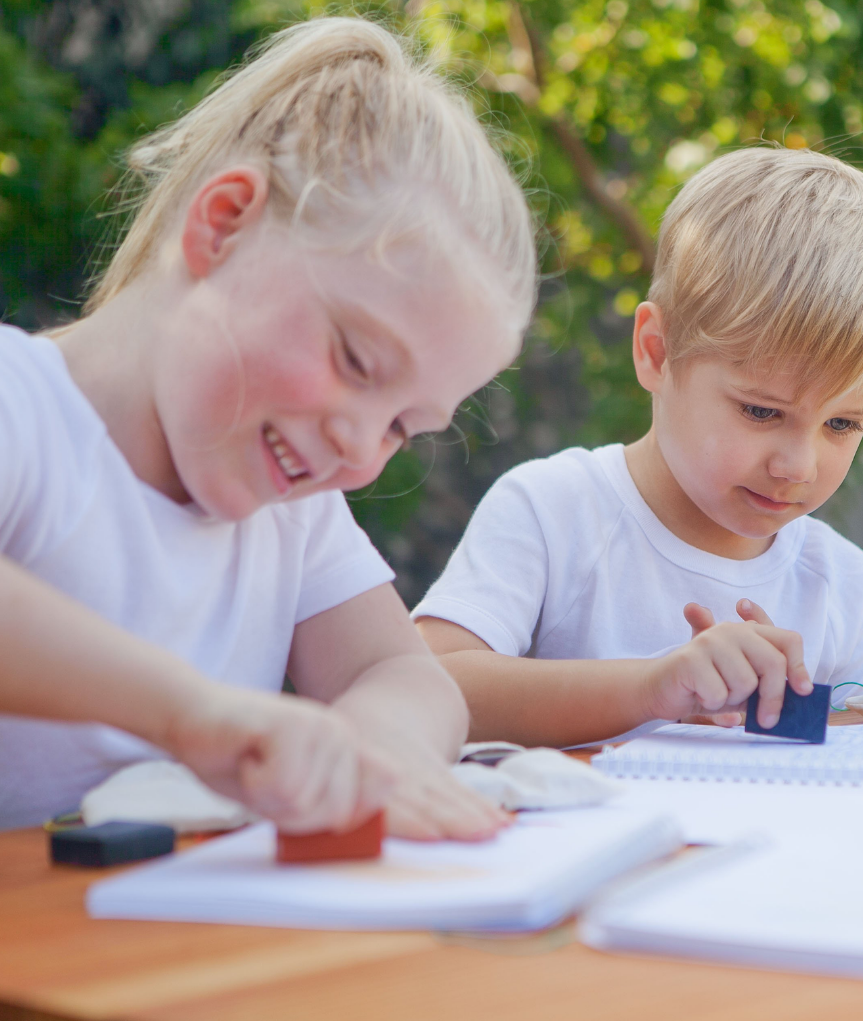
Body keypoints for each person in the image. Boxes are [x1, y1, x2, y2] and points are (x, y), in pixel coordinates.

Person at [0, 17, 536, 836]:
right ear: (223, 224)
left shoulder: (293, 511)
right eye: (357, 362)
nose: (360, 447)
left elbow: (403, 670)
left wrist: (377, 744)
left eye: (401, 427)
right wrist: (192, 714)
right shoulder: (20, 407)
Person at [415, 146, 863, 749]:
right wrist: (652, 688)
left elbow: (862, 775)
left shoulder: (846, 587)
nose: (798, 466)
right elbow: (427, 686)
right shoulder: (553, 511)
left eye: (842, 425)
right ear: (656, 352)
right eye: (762, 411)